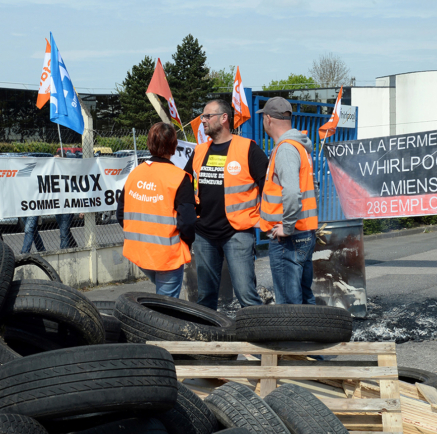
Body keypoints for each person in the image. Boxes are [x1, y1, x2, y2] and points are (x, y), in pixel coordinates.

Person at [184, 99, 268, 310]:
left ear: (224, 118)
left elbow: (269, 186)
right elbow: (185, 185)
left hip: (237, 232)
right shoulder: (199, 151)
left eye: (207, 116)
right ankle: (208, 340)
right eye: (202, 116)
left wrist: (268, 220)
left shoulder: (247, 149)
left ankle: (258, 336)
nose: (202, 120)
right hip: (204, 234)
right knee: (205, 298)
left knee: (246, 294)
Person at [117, 122, 195, 298]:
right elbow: (188, 222)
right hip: (168, 255)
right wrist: (186, 244)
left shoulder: (135, 173)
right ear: (174, 146)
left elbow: (120, 214)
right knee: (166, 309)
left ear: (149, 144)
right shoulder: (179, 178)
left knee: (161, 301)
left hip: (138, 252)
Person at [258, 97, 319, 305]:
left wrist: (288, 226)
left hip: (288, 238)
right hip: (304, 232)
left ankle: (295, 339)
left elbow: (292, 192)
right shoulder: (299, 146)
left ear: (268, 119)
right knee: (303, 297)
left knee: (289, 304)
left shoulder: (285, 149)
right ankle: (314, 337)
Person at [53, 153, 79, 249]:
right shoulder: (52, 174)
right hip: (58, 207)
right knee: (65, 230)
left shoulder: (69, 173)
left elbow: (76, 190)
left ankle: (63, 252)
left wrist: (81, 208)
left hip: (68, 207)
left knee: (63, 232)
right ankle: (74, 246)